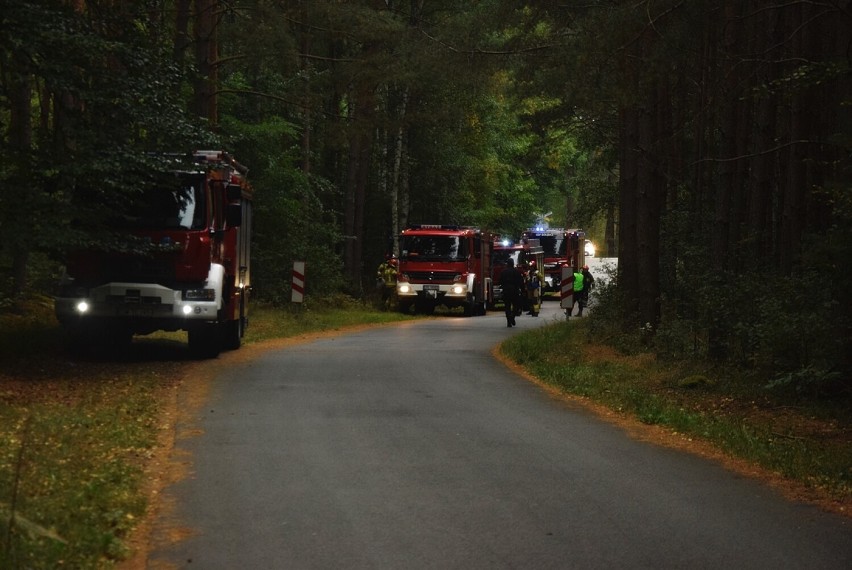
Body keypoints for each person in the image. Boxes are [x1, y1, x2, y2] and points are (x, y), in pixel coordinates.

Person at [498, 258, 525, 327]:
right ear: (513, 263)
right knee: (516, 305)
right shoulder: (516, 272)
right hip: (514, 291)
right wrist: (523, 290)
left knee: (507, 306)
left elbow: (500, 281)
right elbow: (521, 282)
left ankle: (508, 322)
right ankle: (512, 316)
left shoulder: (503, 272)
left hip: (506, 291)